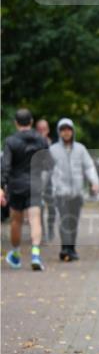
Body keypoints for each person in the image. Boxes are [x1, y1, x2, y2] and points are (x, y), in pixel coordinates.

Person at [1, 109, 50, 270]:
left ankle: (16, 254)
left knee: (16, 221)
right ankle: (35, 254)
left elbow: (5, 166)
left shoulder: (10, 141)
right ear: (31, 122)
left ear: (16, 123)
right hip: (35, 184)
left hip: (16, 186)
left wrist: (2, 186)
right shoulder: (41, 140)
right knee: (35, 219)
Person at [47, 118, 99, 261]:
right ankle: (65, 248)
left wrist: (94, 181)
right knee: (64, 220)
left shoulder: (80, 149)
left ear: (72, 131)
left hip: (77, 192)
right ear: (59, 132)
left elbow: (88, 166)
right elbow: (47, 171)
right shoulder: (53, 150)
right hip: (61, 192)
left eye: (68, 129)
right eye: (63, 130)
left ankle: (71, 248)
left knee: (74, 222)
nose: (66, 133)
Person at [35, 118, 58, 241]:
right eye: (39, 129)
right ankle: (42, 232)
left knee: (52, 207)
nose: (42, 132)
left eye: (44, 129)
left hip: (51, 179)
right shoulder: (32, 144)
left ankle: (50, 228)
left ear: (48, 130)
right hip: (37, 178)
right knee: (39, 207)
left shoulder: (53, 145)